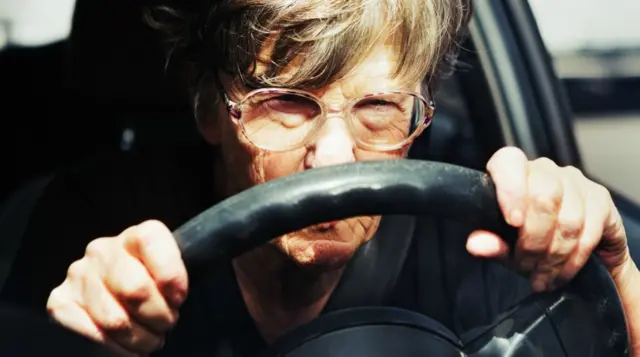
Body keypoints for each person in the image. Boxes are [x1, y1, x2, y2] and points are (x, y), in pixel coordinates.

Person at [2, 0, 640, 356]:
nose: (333, 157)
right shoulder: (94, 220)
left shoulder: (482, 236)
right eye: (286, 101)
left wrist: (615, 276)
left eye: (379, 109)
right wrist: (75, 340)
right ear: (208, 109)